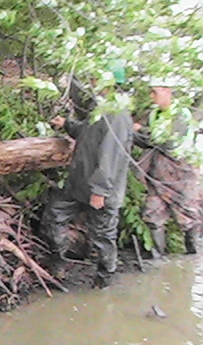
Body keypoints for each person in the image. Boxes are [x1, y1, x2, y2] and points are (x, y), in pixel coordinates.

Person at [43, 63, 134, 288]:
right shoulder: (100, 107)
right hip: (79, 185)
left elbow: (110, 156)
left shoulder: (117, 115)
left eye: (96, 78)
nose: (92, 81)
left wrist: (100, 191)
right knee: (55, 215)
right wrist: (67, 125)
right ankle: (59, 263)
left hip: (102, 190)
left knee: (103, 236)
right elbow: (87, 133)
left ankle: (104, 280)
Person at [133, 77, 200, 256]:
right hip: (158, 176)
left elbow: (169, 143)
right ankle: (158, 258)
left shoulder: (180, 114)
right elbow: (147, 143)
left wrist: (142, 131)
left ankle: (192, 256)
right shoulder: (155, 114)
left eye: (155, 91)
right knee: (152, 215)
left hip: (181, 175)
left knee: (188, 218)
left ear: (168, 91)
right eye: (151, 92)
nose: (152, 96)